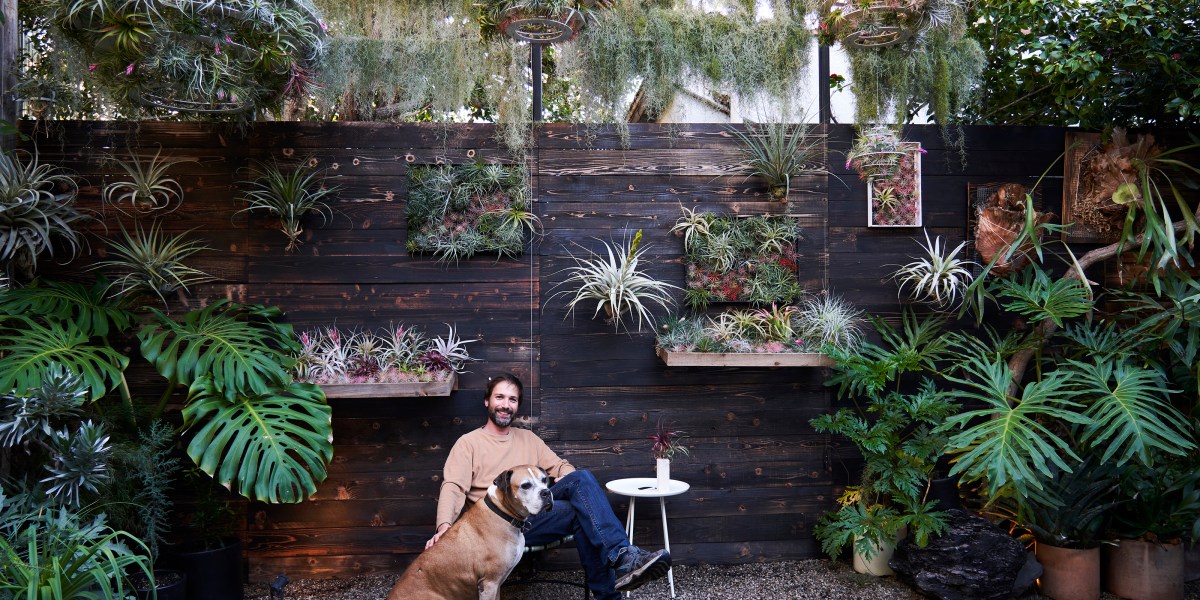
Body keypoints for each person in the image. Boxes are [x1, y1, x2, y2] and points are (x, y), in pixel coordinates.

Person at [426, 372, 671, 598]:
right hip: (495, 528)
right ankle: (619, 568)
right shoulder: (468, 443)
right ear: (487, 401)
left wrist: (566, 476)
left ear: (517, 406)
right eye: (499, 397)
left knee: (580, 482)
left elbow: (560, 466)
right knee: (583, 511)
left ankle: (621, 560)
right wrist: (444, 527)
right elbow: (453, 487)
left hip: (534, 519)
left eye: (512, 399)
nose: (505, 404)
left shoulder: (528, 439)